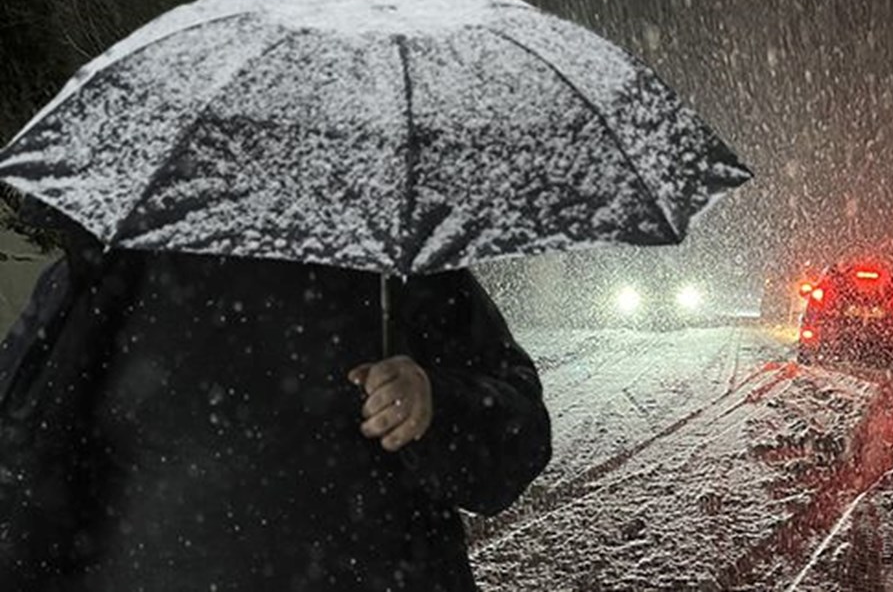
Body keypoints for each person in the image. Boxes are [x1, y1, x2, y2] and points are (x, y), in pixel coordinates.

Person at [0, 205, 552, 591]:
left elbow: (518, 438)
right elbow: (26, 464)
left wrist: (436, 402)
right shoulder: (106, 273)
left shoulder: (396, 264)